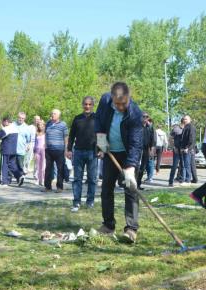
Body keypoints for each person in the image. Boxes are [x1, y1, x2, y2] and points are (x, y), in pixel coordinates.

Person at [95, 82, 143, 243]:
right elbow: (99, 122)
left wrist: (130, 167)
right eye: (117, 104)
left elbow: (136, 143)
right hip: (110, 152)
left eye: (123, 103)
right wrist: (101, 140)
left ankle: (131, 229)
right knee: (106, 189)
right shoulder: (105, 101)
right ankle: (108, 225)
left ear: (129, 98)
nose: (121, 107)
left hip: (127, 153)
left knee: (130, 189)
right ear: (112, 98)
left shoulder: (135, 113)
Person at [67, 96, 97, 212]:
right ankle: (76, 202)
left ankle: (90, 201)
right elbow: (71, 136)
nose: (87, 106)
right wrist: (69, 149)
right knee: (77, 179)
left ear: (92, 105)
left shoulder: (97, 118)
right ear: (82, 105)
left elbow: (102, 135)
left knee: (92, 179)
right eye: (85, 104)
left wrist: (102, 150)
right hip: (78, 151)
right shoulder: (77, 118)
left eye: (89, 104)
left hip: (93, 153)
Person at [43, 109, 68, 193]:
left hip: (59, 150)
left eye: (54, 113)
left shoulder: (63, 125)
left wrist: (66, 149)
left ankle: (59, 187)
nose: (52, 115)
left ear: (58, 115)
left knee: (60, 169)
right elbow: (46, 135)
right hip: (49, 150)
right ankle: (47, 187)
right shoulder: (48, 123)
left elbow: (66, 138)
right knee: (48, 169)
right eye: (52, 113)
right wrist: (45, 146)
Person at [0, 117, 24, 186]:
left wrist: (2, 128)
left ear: (6, 121)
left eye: (3, 122)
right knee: (12, 164)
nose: (2, 123)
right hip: (13, 150)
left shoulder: (6, 128)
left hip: (6, 150)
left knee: (4, 165)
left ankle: (4, 182)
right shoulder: (15, 128)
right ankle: (19, 176)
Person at [137, 112, 156, 190]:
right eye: (143, 116)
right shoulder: (137, 126)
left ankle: (138, 184)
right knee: (135, 167)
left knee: (143, 167)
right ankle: (131, 185)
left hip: (145, 149)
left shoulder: (150, 127)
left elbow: (152, 139)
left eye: (146, 117)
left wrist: (152, 149)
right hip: (137, 149)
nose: (145, 118)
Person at [14, 112, 31, 185]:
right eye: (20, 118)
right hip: (12, 149)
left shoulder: (26, 127)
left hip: (21, 150)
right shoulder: (13, 125)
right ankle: (18, 178)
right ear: (17, 117)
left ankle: (20, 178)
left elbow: (28, 139)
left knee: (20, 165)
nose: (21, 119)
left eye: (22, 118)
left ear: (24, 119)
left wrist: (28, 145)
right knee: (13, 165)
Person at [179, 115, 196, 186]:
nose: (184, 120)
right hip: (183, 148)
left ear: (190, 120)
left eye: (186, 119)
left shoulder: (191, 127)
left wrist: (188, 148)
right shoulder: (185, 127)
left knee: (187, 165)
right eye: (184, 119)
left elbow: (192, 139)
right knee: (184, 165)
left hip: (187, 149)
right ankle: (184, 179)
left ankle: (188, 180)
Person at [33, 121, 46, 186]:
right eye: (39, 125)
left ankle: (43, 179)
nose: (40, 126)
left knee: (43, 166)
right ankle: (38, 179)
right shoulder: (36, 133)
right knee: (37, 166)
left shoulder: (46, 133)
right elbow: (35, 143)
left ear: (44, 126)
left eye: (41, 125)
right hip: (37, 150)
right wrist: (34, 151)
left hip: (43, 150)